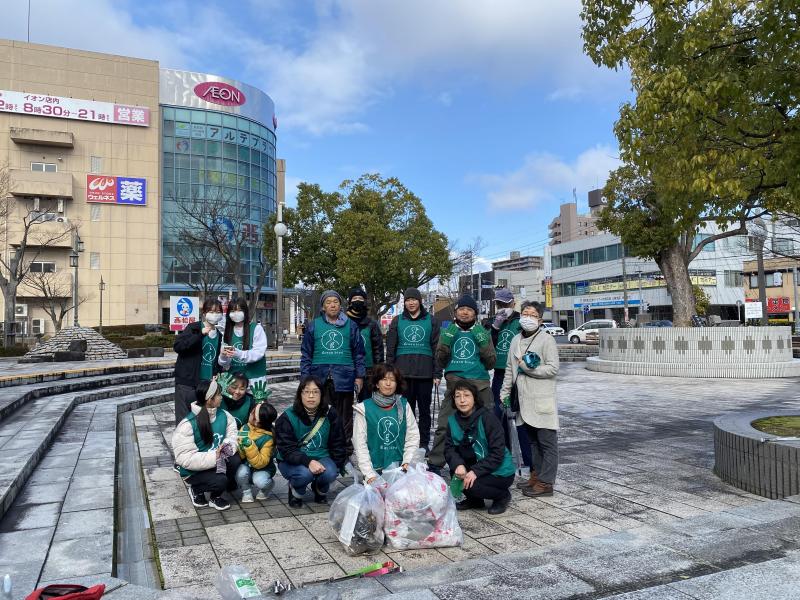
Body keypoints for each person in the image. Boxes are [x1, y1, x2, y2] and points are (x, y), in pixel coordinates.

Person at [427, 294, 495, 473]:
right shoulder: (448, 331)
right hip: (454, 386)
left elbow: (491, 363)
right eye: (461, 309)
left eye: (469, 309)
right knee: (444, 425)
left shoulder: (482, 332)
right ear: (455, 312)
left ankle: (486, 463)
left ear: (475, 313)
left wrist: (483, 342)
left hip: (479, 385)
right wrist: (445, 344)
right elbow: (440, 361)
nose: (465, 312)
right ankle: (435, 464)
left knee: (485, 426)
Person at [500, 301, 560, 497]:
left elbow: (552, 368)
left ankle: (546, 483)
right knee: (533, 442)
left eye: (532, 314)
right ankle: (536, 475)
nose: (528, 317)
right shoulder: (516, 340)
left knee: (547, 442)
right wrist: (505, 392)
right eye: (525, 313)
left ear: (540, 319)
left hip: (541, 398)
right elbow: (510, 368)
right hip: (523, 399)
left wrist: (527, 368)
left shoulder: (546, 340)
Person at [300, 290, 365, 454]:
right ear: (323, 306)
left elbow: (359, 353)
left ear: (340, 305)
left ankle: (344, 449)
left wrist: (359, 376)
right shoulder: (314, 325)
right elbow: (306, 354)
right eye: (328, 302)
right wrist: (305, 379)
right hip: (319, 379)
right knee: (321, 414)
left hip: (344, 377)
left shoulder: (351, 325)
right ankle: (323, 447)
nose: (332, 305)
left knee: (345, 416)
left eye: (335, 302)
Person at [275, 377, 348, 507]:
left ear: (322, 395)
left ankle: (320, 487)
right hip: (293, 459)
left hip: (322, 455)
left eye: (315, 392)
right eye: (306, 392)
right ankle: (296, 490)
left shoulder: (330, 413)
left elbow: (338, 441)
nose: (311, 396)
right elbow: (287, 449)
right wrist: (308, 462)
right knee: (304, 474)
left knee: (330, 472)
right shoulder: (287, 417)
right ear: (300, 394)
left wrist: (337, 465)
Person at [445, 379, 514, 514]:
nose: (462, 400)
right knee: (456, 473)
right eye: (458, 396)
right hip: (475, 464)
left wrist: (475, 471)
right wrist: (458, 464)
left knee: (472, 485)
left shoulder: (488, 419)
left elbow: (497, 454)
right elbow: (449, 448)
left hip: (499, 471)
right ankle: (475, 501)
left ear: (474, 398)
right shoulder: (453, 420)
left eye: (466, 395)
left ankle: (502, 496)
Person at [385, 287, 441, 452]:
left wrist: (437, 373)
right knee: (404, 412)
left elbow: (437, 348)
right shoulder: (397, 320)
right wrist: (389, 372)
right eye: (408, 300)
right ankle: (405, 442)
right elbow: (391, 348)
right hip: (402, 375)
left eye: (414, 299)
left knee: (424, 411)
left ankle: (423, 443)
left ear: (420, 301)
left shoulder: (431, 320)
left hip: (425, 374)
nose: (411, 303)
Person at [172, 378, 240, 511]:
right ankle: (196, 489)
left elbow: (233, 436)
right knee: (221, 480)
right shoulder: (187, 425)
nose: (221, 397)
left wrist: (226, 446)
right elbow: (185, 458)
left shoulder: (224, 415)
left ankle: (215, 497)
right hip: (193, 470)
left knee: (235, 459)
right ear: (210, 399)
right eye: (219, 395)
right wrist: (216, 456)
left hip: (215, 462)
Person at [352, 363, 420, 483]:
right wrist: (369, 474)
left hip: (400, 470)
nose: (388, 384)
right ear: (377, 383)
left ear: (397, 384)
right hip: (375, 471)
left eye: (392, 380)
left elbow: (413, 436)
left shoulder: (404, 405)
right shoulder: (363, 408)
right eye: (384, 379)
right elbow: (360, 443)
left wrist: (407, 462)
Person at [490, 288, 532, 470]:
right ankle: (503, 457)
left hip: (519, 374)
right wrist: (494, 328)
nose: (502, 307)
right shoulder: (493, 322)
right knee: (498, 417)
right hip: (499, 374)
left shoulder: (520, 322)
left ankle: (530, 463)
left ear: (513, 303)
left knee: (523, 418)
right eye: (499, 304)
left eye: (505, 304)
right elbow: (487, 347)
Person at [172, 298, 224, 425]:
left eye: (218, 312)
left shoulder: (219, 335)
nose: (215, 314)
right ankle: (182, 444)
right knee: (184, 419)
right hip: (188, 382)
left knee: (202, 419)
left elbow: (214, 358)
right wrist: (200, 334)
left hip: (205, 385)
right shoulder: (194, 328)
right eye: (211, 311)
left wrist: (217, 371)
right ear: (204, 313)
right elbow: (178, 346)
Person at [218, 298, 268, 388]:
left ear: (245, 311)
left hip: (255, 380)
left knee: (257, 402)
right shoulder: (227, 332)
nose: (236, 313)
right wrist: (223, 356)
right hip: (234, 381)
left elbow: (258, 353)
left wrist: (239, 353)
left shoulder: (256, 328)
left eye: (239, 310)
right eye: (233, 311)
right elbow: (225, 364)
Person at [346, 287, 384, 401]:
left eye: (360, 298)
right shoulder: (343, 322)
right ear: (350, 302)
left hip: (368, 371)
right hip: (347, 367)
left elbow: (378, 348)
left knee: (366, 404)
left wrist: (378, 368)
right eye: (354, 298)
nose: (357, 300)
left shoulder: (371, 324)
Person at [236, 401, 278, 502]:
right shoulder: (245, 428)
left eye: (252, 413)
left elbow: (260, 463)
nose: (250, 414)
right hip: (246, 465)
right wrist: (240, 448)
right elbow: (240, 456)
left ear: (256, 421)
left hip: (262, 468)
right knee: (240, 473)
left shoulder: (268, 438)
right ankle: (246, 492)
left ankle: (267, 488)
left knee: (260, 481)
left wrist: (250, 446)